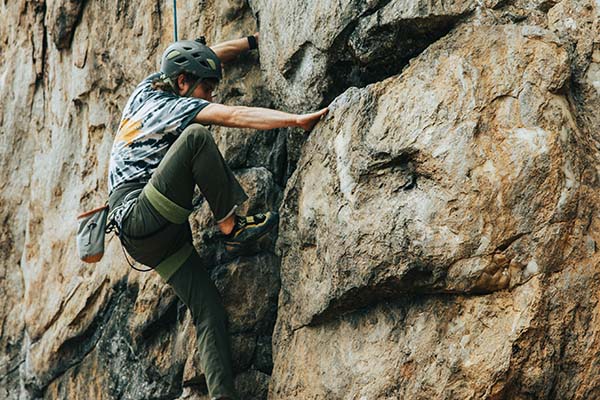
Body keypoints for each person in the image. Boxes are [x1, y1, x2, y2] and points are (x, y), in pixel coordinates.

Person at [107, 34, 327, 400]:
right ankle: (231, 227)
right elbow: (234, 115)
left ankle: (221, 395)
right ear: (182, 83)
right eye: (206, 88)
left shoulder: (146, 89)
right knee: (196, 136)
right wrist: (295, 120)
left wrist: (250, 42)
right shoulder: (172, 107)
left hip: (145, 237)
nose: (209, 96)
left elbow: (210, 56)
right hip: (143, 212)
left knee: (208, 310)